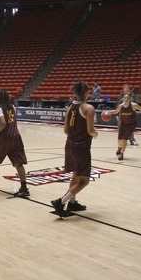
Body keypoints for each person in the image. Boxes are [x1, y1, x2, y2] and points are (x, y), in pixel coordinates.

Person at [51, 81, 98, 218]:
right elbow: (90, 130)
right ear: (87, 93)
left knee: (76, 175)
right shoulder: (89, 108)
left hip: (69, 145)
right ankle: (61, 202)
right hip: (81, 148)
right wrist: (95, 134)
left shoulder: (69, 107)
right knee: (84, 181)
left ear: (75, 93)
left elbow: (66, 130)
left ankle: (72, 203)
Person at [108, 94, 141, 160]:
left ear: (130, 99)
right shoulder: (121, 106)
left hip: (131, 124)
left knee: (125, 140)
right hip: (123, 123)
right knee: (119, 139)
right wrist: (107, 112)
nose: (126, 99)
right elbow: (115, 111)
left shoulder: (133, 105)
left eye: (127, 98)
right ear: (123, 99)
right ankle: (119, 147)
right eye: (125, 98)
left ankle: (122, 153)